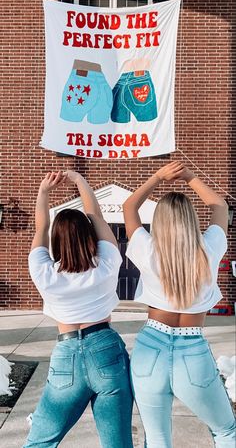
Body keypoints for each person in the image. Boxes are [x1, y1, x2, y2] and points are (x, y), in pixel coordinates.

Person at [123, 161, 236, 448]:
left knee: (158, 438)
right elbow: (220, 206)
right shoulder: (209, 247)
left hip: (151, 346)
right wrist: (190, 177)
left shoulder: (147, 249)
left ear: (159, 222)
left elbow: (129, 207)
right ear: (191, 221)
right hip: (192, 350)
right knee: (226, 431)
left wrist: (158, 177)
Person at [24, 170, 133, 448]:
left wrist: (44, 191)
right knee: (117, 445)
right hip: (106, 348)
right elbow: (96, 215)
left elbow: (41, 228)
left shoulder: (44, 272)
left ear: (56, 240)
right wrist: (80, 181)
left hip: (67, 355)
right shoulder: (107, 262)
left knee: (39, 442)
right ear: (89, 236)